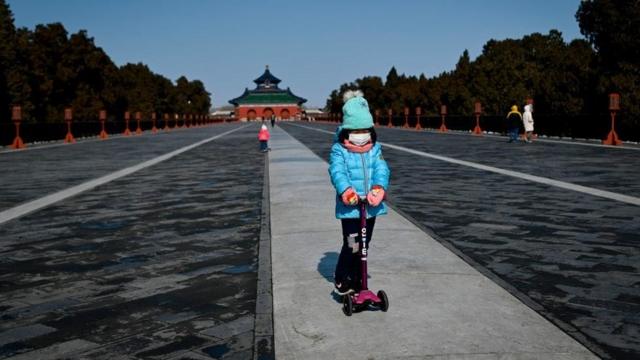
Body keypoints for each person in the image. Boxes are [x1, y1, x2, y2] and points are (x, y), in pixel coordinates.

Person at [328, 90, 390, 295]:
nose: (361, 136)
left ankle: (358, 278)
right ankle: (342, 277)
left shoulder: (375, 149)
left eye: (365, 130)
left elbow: (382, 168)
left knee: (365, 243)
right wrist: (345, 191)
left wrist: (379, 188)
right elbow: (337, 171)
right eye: (356, 131)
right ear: (347, 131)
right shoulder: (340, 150)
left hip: (370, 205)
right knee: (353, 243)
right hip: (351, 207)